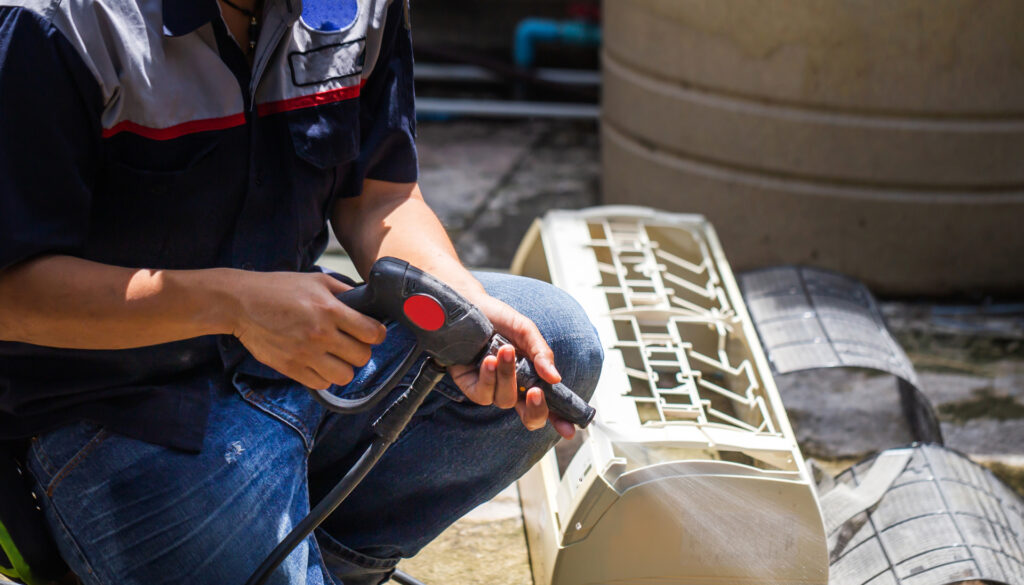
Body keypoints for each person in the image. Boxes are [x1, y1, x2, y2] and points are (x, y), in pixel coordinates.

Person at [0, 0, 603, 583]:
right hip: (119, 415)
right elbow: (11, 294)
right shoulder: (58, 22)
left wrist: (461, 308)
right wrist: (234, 305)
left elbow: (380, 198)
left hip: (302, 367)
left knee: (560, 345)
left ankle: (312, 561)